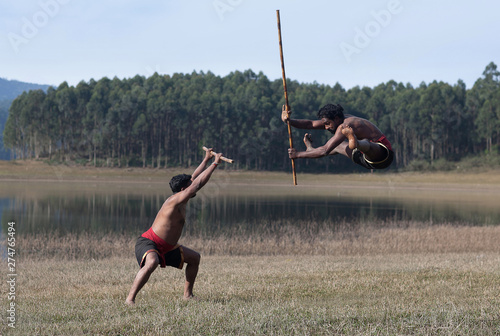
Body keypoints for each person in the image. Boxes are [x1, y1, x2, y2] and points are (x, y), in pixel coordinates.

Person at [126, 148, 223, 305]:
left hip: (168, 246)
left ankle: (188, 295)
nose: (192, 187)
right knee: (152, 262)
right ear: (183, 190)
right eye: (188, 187)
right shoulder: (175, 200)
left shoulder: (182, 197)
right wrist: (215, 164)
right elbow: (197, 183)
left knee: (194, 258)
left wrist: (206, 160)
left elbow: (193, 179)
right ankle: (130, 299)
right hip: (149, 242)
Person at [282, 103, 394, 170]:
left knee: (366, 143)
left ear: (336, 118)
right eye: (324, 124)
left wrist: (298, 155)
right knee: (337, 145)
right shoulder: (335, 120)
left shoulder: (346, 125)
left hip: (383, 155)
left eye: (327, 124)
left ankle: (356, 143)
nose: (326, 127)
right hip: (364, 159)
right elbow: (310, 124)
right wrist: (288, 121)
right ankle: (312, 150)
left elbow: (325, 151)